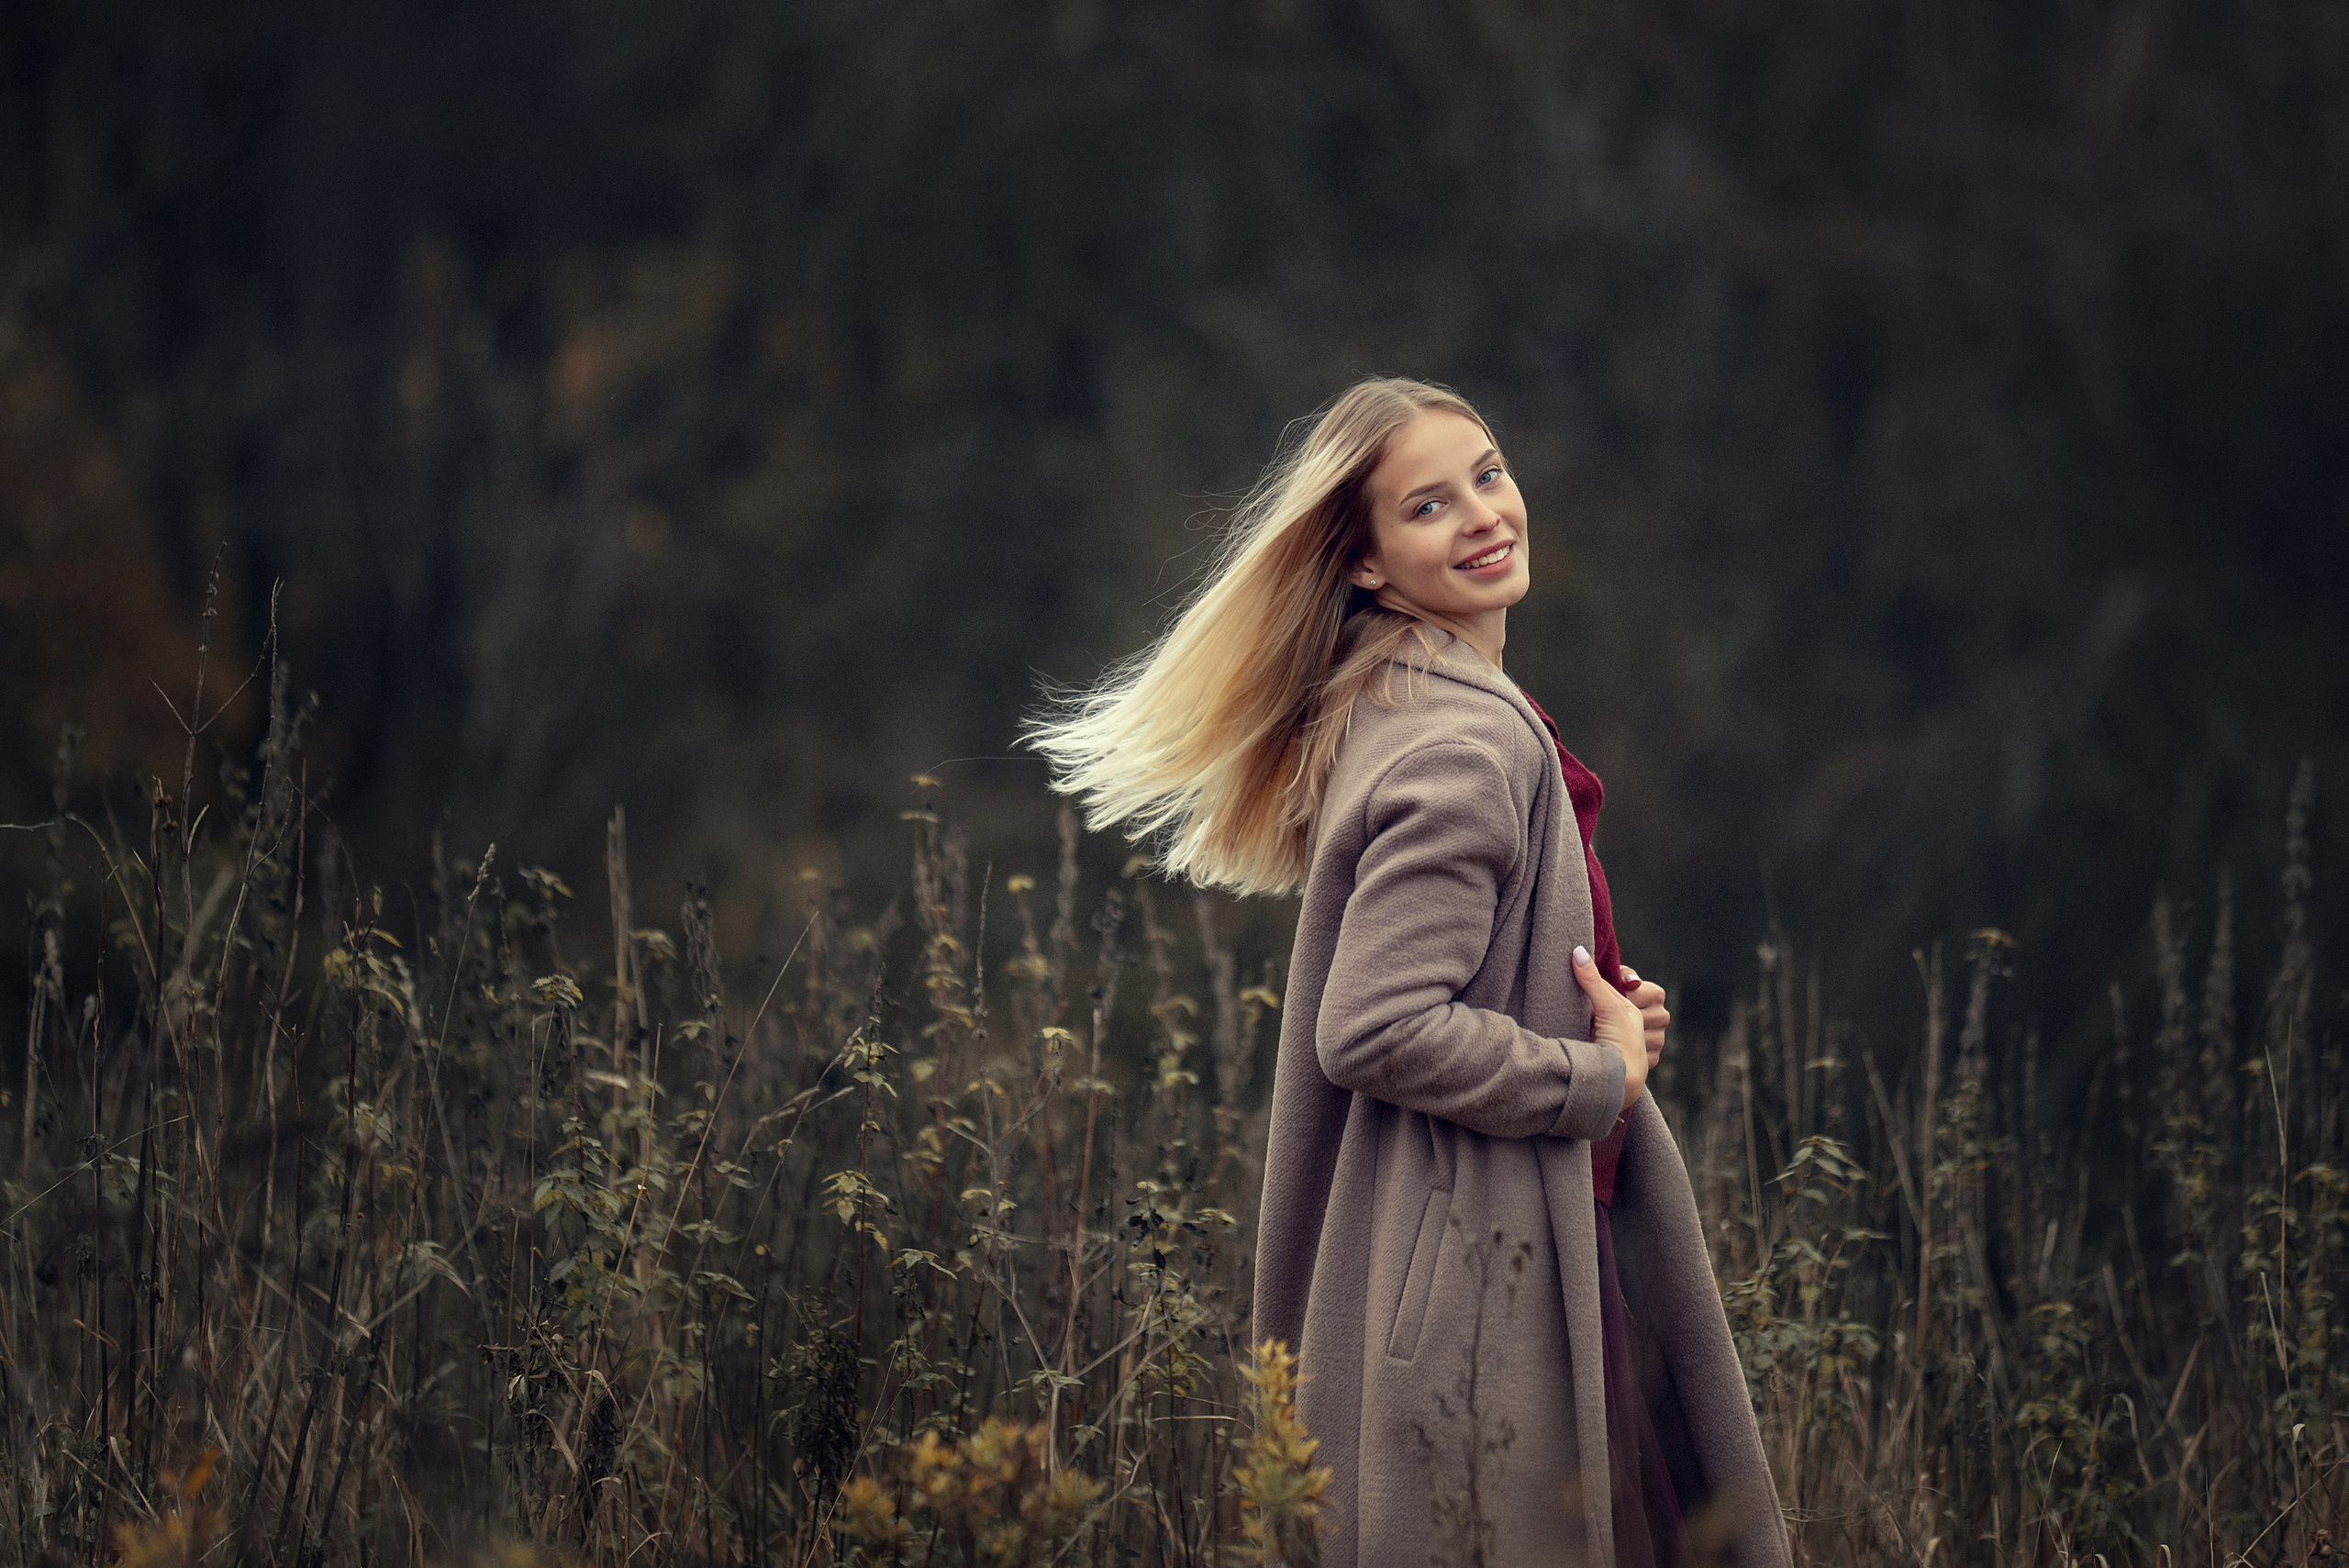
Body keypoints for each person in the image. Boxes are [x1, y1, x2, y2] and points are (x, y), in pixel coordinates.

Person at [1030, 377, 1786, 1566]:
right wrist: (1590, 1076)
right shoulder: (1463, 739)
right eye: (1429, 505)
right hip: (1491, 1289)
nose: (1484, 513)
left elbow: (1462, 973)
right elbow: (1375, 1024)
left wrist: (1600, 1019)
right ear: (1372, 565)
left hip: (1494, 1259)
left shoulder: (1416, 705)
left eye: (1488, 473)